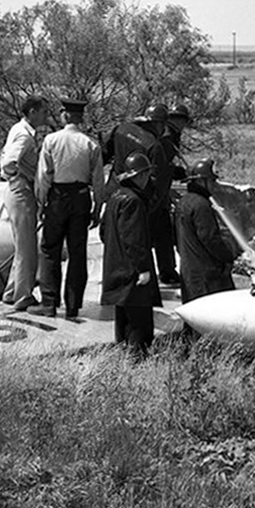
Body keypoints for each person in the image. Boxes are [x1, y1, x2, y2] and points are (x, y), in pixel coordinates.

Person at [30, 99, 104, 318]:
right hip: (81, 197)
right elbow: (98, 180)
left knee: (50, 249)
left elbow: (44, 176)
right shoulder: (91, 144)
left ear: (66, 116)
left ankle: (49, 303)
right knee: (77, 253)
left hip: (57, 197)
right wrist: (97, 207)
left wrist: (41, 203)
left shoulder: (51, 140)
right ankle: (73, 305)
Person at [105, 104, 181, 286]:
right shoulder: (153, 146)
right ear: (159, 124)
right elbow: (158, 183)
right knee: (142, 238)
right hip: (140, 199)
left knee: (114, 236)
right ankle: (155, 275)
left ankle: (115, 277)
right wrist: (151, 206)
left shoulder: (120, 129)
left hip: (115, 192)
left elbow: (104, 153)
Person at [99, 152, 161, 356]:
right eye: (145, 175)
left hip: (116, 269)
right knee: (139, 325)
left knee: (123, 321)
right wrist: (143, 269)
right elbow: (134, 240)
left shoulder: (115, 197)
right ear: (139, 176)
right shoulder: (134, 201)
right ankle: (137, 363)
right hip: (132, 275)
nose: (147, 179)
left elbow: (103, 232)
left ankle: (124, 361)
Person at [1, 96, 50, 310]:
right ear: (32, 112)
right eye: (43, 111)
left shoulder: (19, 130)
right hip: (21, 191)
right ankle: (23, 296)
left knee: (23, 245)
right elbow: (9, 162)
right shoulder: (24, 135)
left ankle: (12, 291)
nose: (45, 116)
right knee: (28, 247)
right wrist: (19, 176)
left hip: (16, 190)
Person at [173, 158, 237, 304]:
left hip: (189, 272)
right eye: (211, 181)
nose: (214, 185)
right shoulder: (201, 205)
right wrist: (228, 256)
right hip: (207, 277)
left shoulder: (183, 202)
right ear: (201, 181)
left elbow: (175, 239)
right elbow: (210, 239)